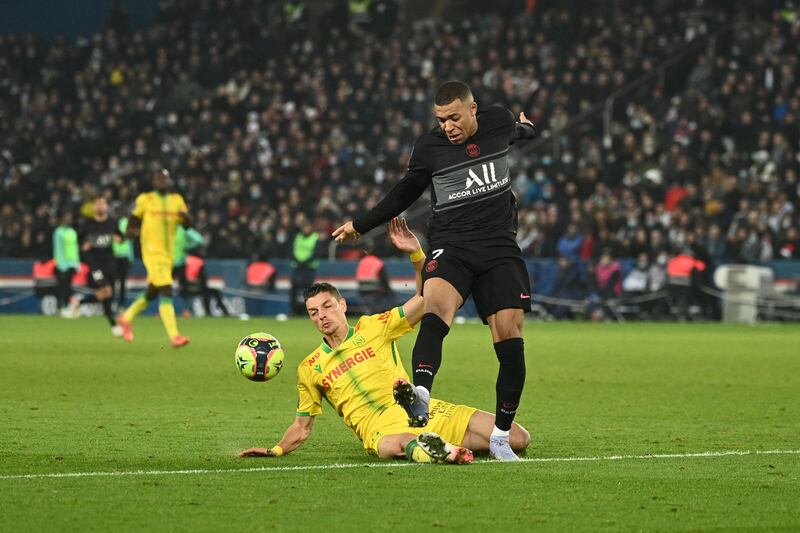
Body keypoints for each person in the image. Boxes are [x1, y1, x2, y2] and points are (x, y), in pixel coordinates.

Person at [332, 80, 538, 460]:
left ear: (473, 109)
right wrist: (361, 224)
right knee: (434, 304)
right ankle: (421, 394)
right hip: (452, 244)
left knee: (509, 338)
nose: (448, 126)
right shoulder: (430, 148)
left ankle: (500, 436)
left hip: (498, 247)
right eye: (441, 120)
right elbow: (404, 191)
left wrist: (528, 128)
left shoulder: (499, 122)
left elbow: (517, 133)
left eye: (454, 117)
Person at [240, 218, 530, 463]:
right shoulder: (311, 367)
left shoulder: (375, 326)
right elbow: (302, 427)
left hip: (425, 412)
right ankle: (439, 450)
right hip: (380, 428)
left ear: (342, 305)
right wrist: (275, 450)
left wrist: (416, 255)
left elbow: (424, 298)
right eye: (313, 312)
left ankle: (436, 444)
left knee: (517, 437)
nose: (321, 316)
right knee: (395, 444)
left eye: (327, 307)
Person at [116, 169, 191, 347]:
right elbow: (133, 219)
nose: (161, 181)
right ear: (153, 182)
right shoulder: (146, 199)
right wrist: (129, 234)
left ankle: (126, 317)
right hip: (151, 251)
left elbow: (187, 225)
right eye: (158, 178)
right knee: (166, 288)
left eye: (164, 178)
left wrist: (186, 218)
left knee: (153, 291)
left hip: (168, 253)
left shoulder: (176, 200)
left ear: (169, 181)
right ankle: (174, 335)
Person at [79, 196, 123, 336]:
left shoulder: (112, 222)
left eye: (102, 203)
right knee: (105, 289)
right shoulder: (87, 224)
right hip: (95, 263)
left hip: (110, 262)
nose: (100, 206)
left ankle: (78, 303)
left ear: (107, 207)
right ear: (93, 207)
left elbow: (120, 237)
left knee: (108, 293)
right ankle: (113, 324)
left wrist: (119, 238)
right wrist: (83, 246)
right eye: (97, 204)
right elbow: (80, 242)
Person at [52, 211, 80, 318]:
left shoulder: (73, 232)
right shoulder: (58, 232)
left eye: (70, 218)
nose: (68, 220)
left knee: (68, 287)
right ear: (62, 220)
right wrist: (60, 264)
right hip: (63, 265)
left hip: (72, 264)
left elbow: (75, 248)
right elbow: (58, 249)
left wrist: (77, 263)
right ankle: (61, 307)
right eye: (66, 218)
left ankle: (68, 307)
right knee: (62, 287)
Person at [290, 220, 319, 315]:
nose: (306, 229)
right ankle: (293, 310)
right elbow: (293, 249)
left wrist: (305, 262)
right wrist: (298, 261)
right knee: (294, 288)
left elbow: (316, 252)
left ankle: (308, 311)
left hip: (309, 267)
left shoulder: (315, 237)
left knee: (308, 290)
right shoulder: (298, 237)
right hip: (298, 267)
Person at [113, 216, 134, 309]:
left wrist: (130, 257)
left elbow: (129, 242)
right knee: (116, 282)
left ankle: (120, 304)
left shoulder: (125, 223)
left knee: (120, 282)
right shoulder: (113, 223)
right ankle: (117, 304)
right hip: (116, 256)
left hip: (122, 257)